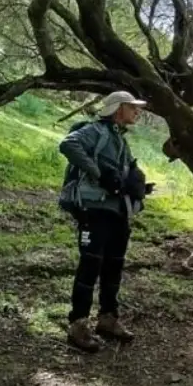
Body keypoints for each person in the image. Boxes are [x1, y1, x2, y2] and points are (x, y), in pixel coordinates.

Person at [58, 91, 152, 353]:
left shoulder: (119, 138)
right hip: (95, 209)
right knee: (90, 266)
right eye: (132, 107)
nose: (137, 112)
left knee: (114, 266)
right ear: (118, 109)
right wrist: (99, 175)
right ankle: (77, 325)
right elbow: (68, 145)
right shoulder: (95, 131)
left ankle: (107, 320)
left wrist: (136, 187)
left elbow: (120, 176)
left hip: (117, 212)